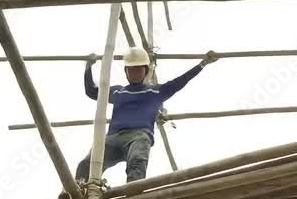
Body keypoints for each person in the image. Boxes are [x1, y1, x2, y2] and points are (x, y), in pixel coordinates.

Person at [76, 47, 219, 184]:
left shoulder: (155, 92)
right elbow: (92, 91)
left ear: (145, 71)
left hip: (138, 135)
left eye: (138, 69)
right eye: (131, 70)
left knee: (137, 162)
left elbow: (180, 81)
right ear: (126, 72)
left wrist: (203, 63)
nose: (135, 73)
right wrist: (88, 67)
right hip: (113, 138)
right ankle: (78, 191)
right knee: (86, 165)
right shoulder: (118, 92)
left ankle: (133, 192)